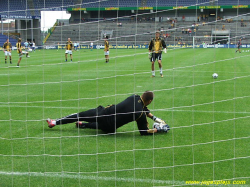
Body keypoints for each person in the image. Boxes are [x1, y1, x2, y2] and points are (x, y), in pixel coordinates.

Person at [46, 91, 170, 135]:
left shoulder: (134, 96)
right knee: (102, 126)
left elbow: (143, 108)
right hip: (110, 128)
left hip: (104, 113)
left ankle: (55, 122)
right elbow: (143, 132)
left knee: (81, 114)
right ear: (149, 101)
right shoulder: (140, 114)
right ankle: (82, 124)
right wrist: (158, 129)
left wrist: (154, 117)